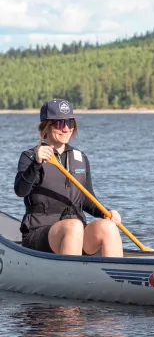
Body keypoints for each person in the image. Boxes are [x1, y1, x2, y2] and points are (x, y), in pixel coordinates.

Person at [14, 99, 123, 257]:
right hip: (39, 233)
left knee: (108, 227)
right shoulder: (30, 157)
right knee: (73, 226)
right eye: (59, 123)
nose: (65, 129)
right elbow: (20, 191)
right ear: (46, 126)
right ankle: (72, 278)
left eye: (70, 122)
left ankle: (116, 278)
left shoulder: (80, 157)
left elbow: (86, 199)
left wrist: (105, 212)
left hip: (76, 233)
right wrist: (36, 164)